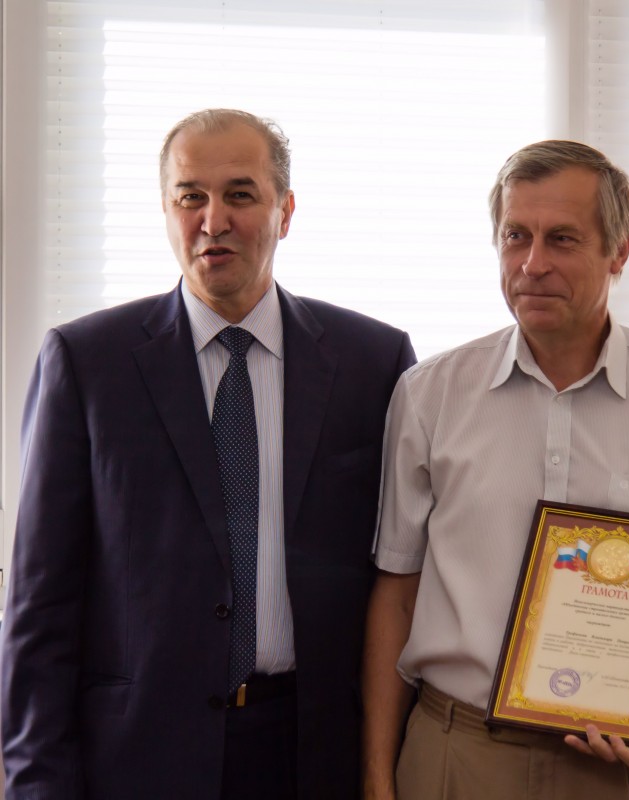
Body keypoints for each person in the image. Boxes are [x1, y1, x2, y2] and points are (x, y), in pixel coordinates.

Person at [362, 140, 629, 800]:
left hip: (625, 766)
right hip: (459, 754)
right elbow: (397, 591)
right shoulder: (429, 394)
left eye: (562, 239)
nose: (532, 264)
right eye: (516, 236)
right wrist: (376, 777)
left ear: (619, 251)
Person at [0, 108, 415, 800]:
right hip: (140, 759)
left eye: (240, 195)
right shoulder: (87, 362)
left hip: (316, 754)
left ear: (285, 212)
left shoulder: (374, 362)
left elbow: (401, 580)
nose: (212, 220)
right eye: (190, 196)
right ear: (167, 211)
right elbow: (40, 604)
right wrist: (36, 784)